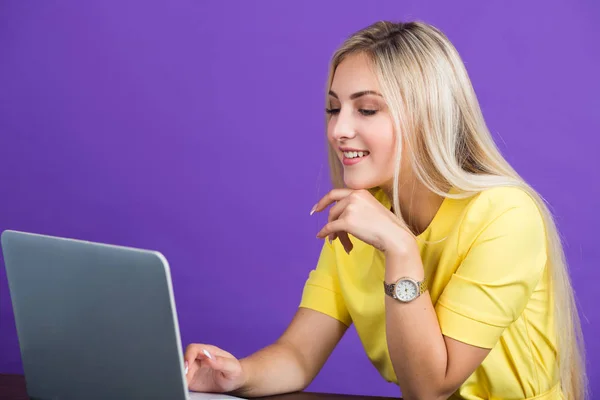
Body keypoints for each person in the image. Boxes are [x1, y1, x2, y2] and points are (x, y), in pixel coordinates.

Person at [183, 21, 587, 400]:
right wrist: (236, 374)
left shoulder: (505, 216)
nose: (339, 129)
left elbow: (429, 390)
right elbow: (298, 355)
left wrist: (401, 249)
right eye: (333, 108)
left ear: (427, 115)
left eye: (367, 109)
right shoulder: (365, 213)